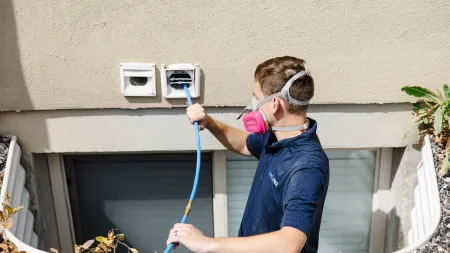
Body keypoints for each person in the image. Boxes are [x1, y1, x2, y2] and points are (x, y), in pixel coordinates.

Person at [166, 56, 329, 253]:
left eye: (257, 97)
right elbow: (244, 144)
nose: (253, 105)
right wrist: (208, 123)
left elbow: (290, 243)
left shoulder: (307, 166)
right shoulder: (277, 137)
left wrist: (207, 244)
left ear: (274, 104)